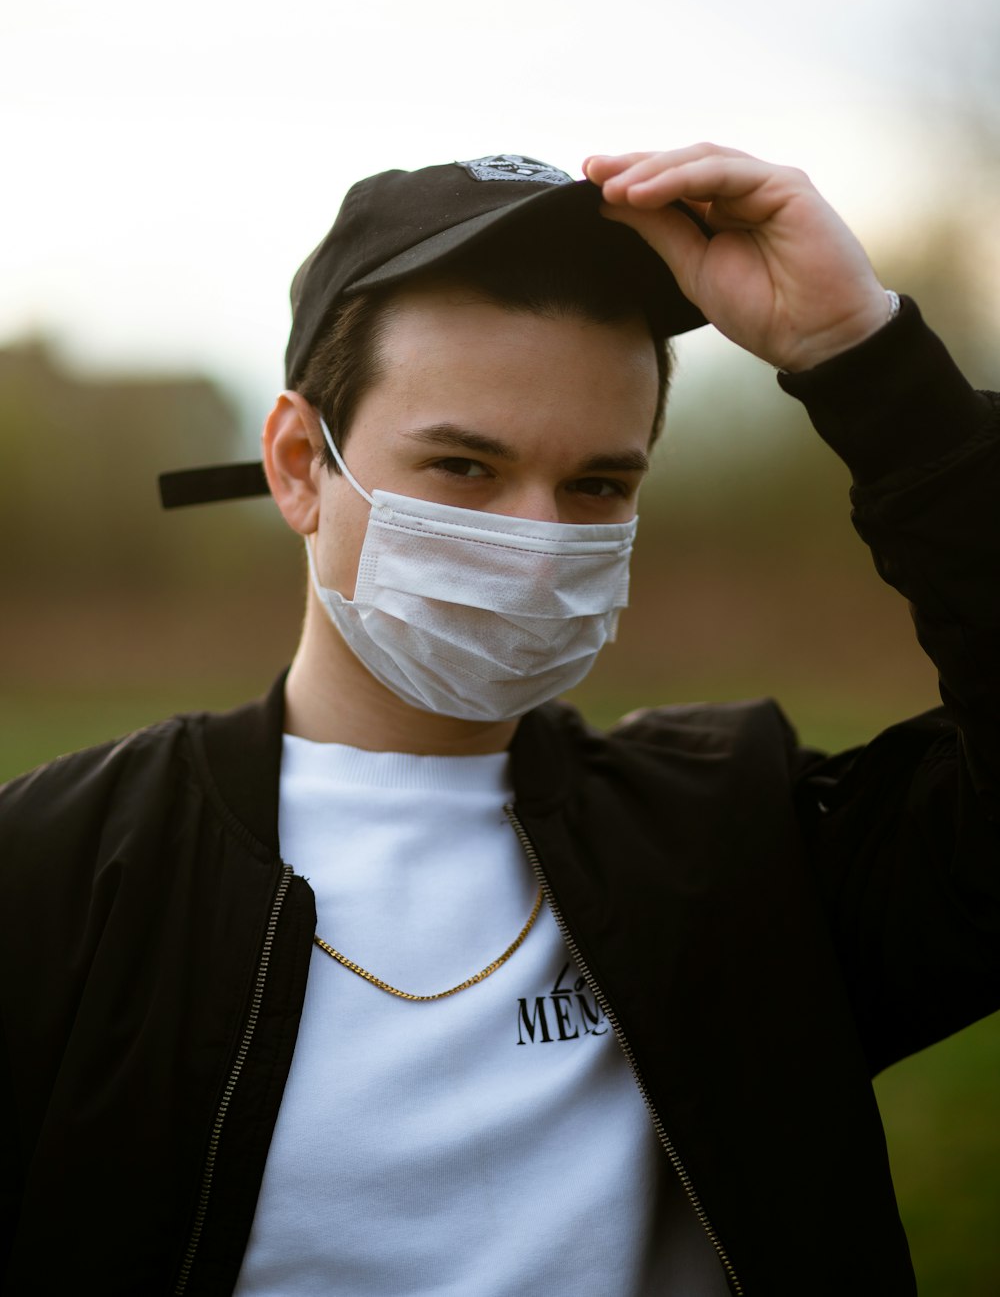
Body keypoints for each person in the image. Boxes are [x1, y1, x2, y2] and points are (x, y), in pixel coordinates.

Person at [1, 145, 997, 1297]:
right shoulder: (60, 874)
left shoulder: (743, 853)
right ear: (296, 466)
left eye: (596, 487)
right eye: (465, 467)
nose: (535, 546)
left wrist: (867, 362)